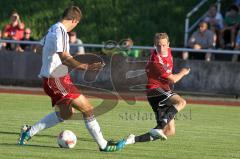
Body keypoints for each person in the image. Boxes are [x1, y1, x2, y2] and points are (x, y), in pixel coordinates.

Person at [18, 6, 125, 152]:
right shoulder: (61, 31)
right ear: (74, 20)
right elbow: (65, 57)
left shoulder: (52, 29)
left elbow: (37, 49)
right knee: (87, 108)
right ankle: (104, 145)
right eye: (77, 23)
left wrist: (50, 55)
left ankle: (28, 132)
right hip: (56, 79)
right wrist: (85, 67)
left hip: (55, 79)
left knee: (66, 114)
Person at [125, 33, 190, 145]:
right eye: (158, 45)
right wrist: (183, 72)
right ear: (155, 45)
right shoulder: (156, 60)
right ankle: (160, 126)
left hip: (163, 90)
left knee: (169, 131)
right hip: (155, 90)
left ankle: (132, 139)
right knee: (181, 102)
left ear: (168, 45)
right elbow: (173, 79)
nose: (161, 48)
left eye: (164, 45)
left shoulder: (168, 52)